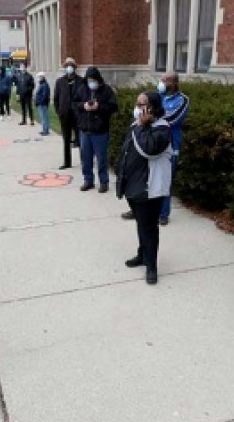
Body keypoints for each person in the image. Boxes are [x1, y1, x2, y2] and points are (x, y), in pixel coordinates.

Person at [115, 92, 173, 284]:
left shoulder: (162, 129)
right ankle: (142, 254)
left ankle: (152, 266)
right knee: (141, 225)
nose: (138, 108)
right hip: (134, 186)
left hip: (150, 189)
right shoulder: (138, 125)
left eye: (142, 105)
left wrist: (141, 126)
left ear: (153, 108)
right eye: (137, 104)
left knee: (149, 228)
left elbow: (148, 149)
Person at [121, 73, 190, 225]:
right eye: (162, 80)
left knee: (163, 179)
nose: (162, 83)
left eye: (166, 80)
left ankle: (163, 213)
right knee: (143, 176)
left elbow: (174, 119)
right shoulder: (157, 96)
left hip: (169, 143)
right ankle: (138, 208)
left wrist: (154, 119)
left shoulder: (182, 99)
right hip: (148, 137)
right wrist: (147, 121)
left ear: (175, 83)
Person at [73, 66, 118, 192]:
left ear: (98, 79)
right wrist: (84, 106)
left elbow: (113, 106)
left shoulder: (107, 90)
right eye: (88, 80)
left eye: (93, 80)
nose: (91, 83)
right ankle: (88, 180)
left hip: (100, 131)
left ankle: (104, 182)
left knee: (101, 158)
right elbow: (74, 104)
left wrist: (99, 107)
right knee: (85, 158)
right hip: (85, 130)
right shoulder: (82, 89)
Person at [53, 57, 82, 169]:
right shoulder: (60, 82)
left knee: (80, 138)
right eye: (67, 66)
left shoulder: (81, 81)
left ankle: (84, 161)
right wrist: (59, 111)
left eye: (71, 65)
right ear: (65, 68)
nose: (69, 67)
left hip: (77, 115)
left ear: (74, 68)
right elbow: (56, 98)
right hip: (64, 114)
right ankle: (67, 162)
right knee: (66, 139)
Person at [34, 71, 51, 135]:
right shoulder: (42, 84)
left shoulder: (44, 85)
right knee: (42, 117)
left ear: (43, 77)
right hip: (41, 104)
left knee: (44, 117)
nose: (39, 78)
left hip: (42, 104)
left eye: (40, 77)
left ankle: (46, 130)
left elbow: (45, 95)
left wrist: (39, 102)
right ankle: (44, 129)